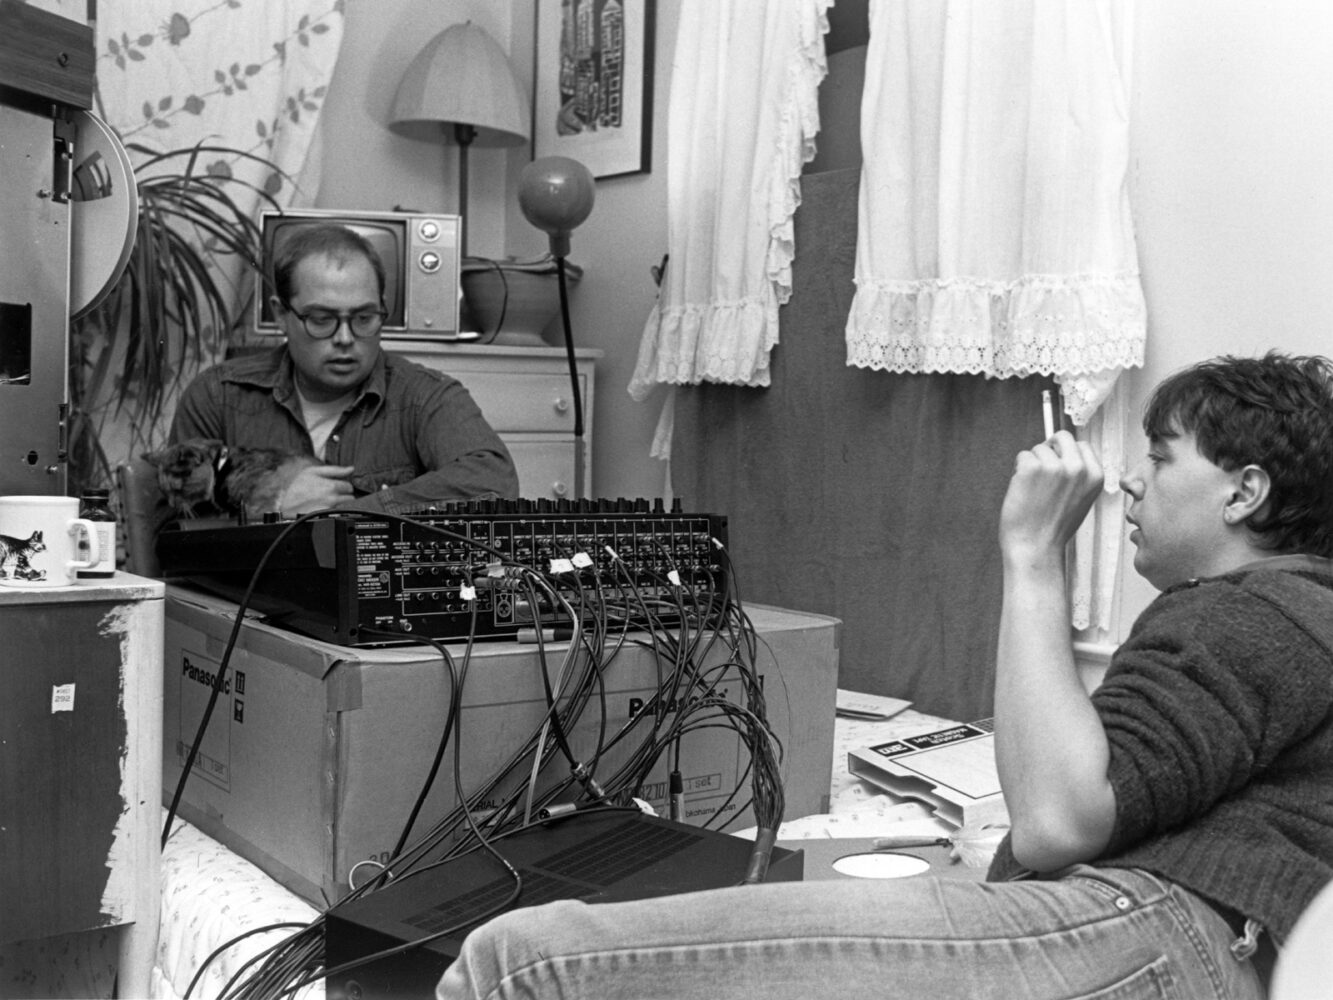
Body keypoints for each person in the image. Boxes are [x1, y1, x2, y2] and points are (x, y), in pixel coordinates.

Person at [434, 352, 1333, 1000]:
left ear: (1244, 492)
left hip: (1152, 934)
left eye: (1162, 456)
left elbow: (1058, 820)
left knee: (524, 964)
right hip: (1170, 939)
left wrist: (1030, 557)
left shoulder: (1259, 609)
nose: (1133, 483)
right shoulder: (1283, 618)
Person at [167, 223, 518, 516]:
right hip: (244, 599)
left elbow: (493, 483)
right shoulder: (217, 396)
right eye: (321, 319)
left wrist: (343, 516)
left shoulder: (425, 395)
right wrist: (271, 509)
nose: (346, 338)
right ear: (281, 314)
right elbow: (167, 539)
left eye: (364, 318)